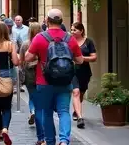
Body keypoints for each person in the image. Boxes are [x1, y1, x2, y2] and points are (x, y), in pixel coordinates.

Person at [26, 9, 83, 145]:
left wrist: (39, 56)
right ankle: (64, 140)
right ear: (61, 21)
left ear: (47, 20)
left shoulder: (40, 37)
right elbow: (80, 60)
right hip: (65, 81)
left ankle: (50, 141)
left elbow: (28, 57)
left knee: (46, 113)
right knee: (64, 111)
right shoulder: (70, 38)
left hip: (44, 82)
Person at [0, 21, 20, 144]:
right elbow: (16, 62)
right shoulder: (10, 44)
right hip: (7, 76)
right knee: (7, 107)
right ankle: (5, 129)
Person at [20, 22, 45, 145]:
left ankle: (41, 137)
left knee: (33, 99)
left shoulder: (25, 44)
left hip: (30, 76)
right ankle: (45, 136)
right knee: (44, 105)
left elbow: (21, 61)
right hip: (43, 76)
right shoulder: (44, 42)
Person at [71, 22, 97, 129]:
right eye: (71, 30)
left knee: (81, 93)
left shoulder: (88, 42)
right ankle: (80, 117)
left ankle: (76, 110)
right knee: (75, 92)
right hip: (72, 71)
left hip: (85, 71)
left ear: (81, 31)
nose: (72, 32)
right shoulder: (69, 41)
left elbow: (94, 57)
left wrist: (82, 58)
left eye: (75, 30)